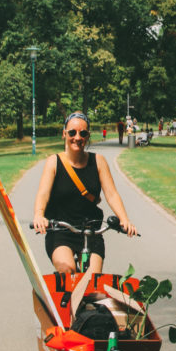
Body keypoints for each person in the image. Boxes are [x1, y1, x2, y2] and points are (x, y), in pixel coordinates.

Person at [32, 111, 137, 277]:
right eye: (72, 132)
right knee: (67, 270)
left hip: (91, 230)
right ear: (64, 134)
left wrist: (124, 220)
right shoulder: (54, 162)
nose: (77, 137)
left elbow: (111, 194)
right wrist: (39, 215)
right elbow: (43, 193)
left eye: (83, 133)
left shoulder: (99, 161)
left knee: (93, 280)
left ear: (88, 136)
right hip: (60, 230)